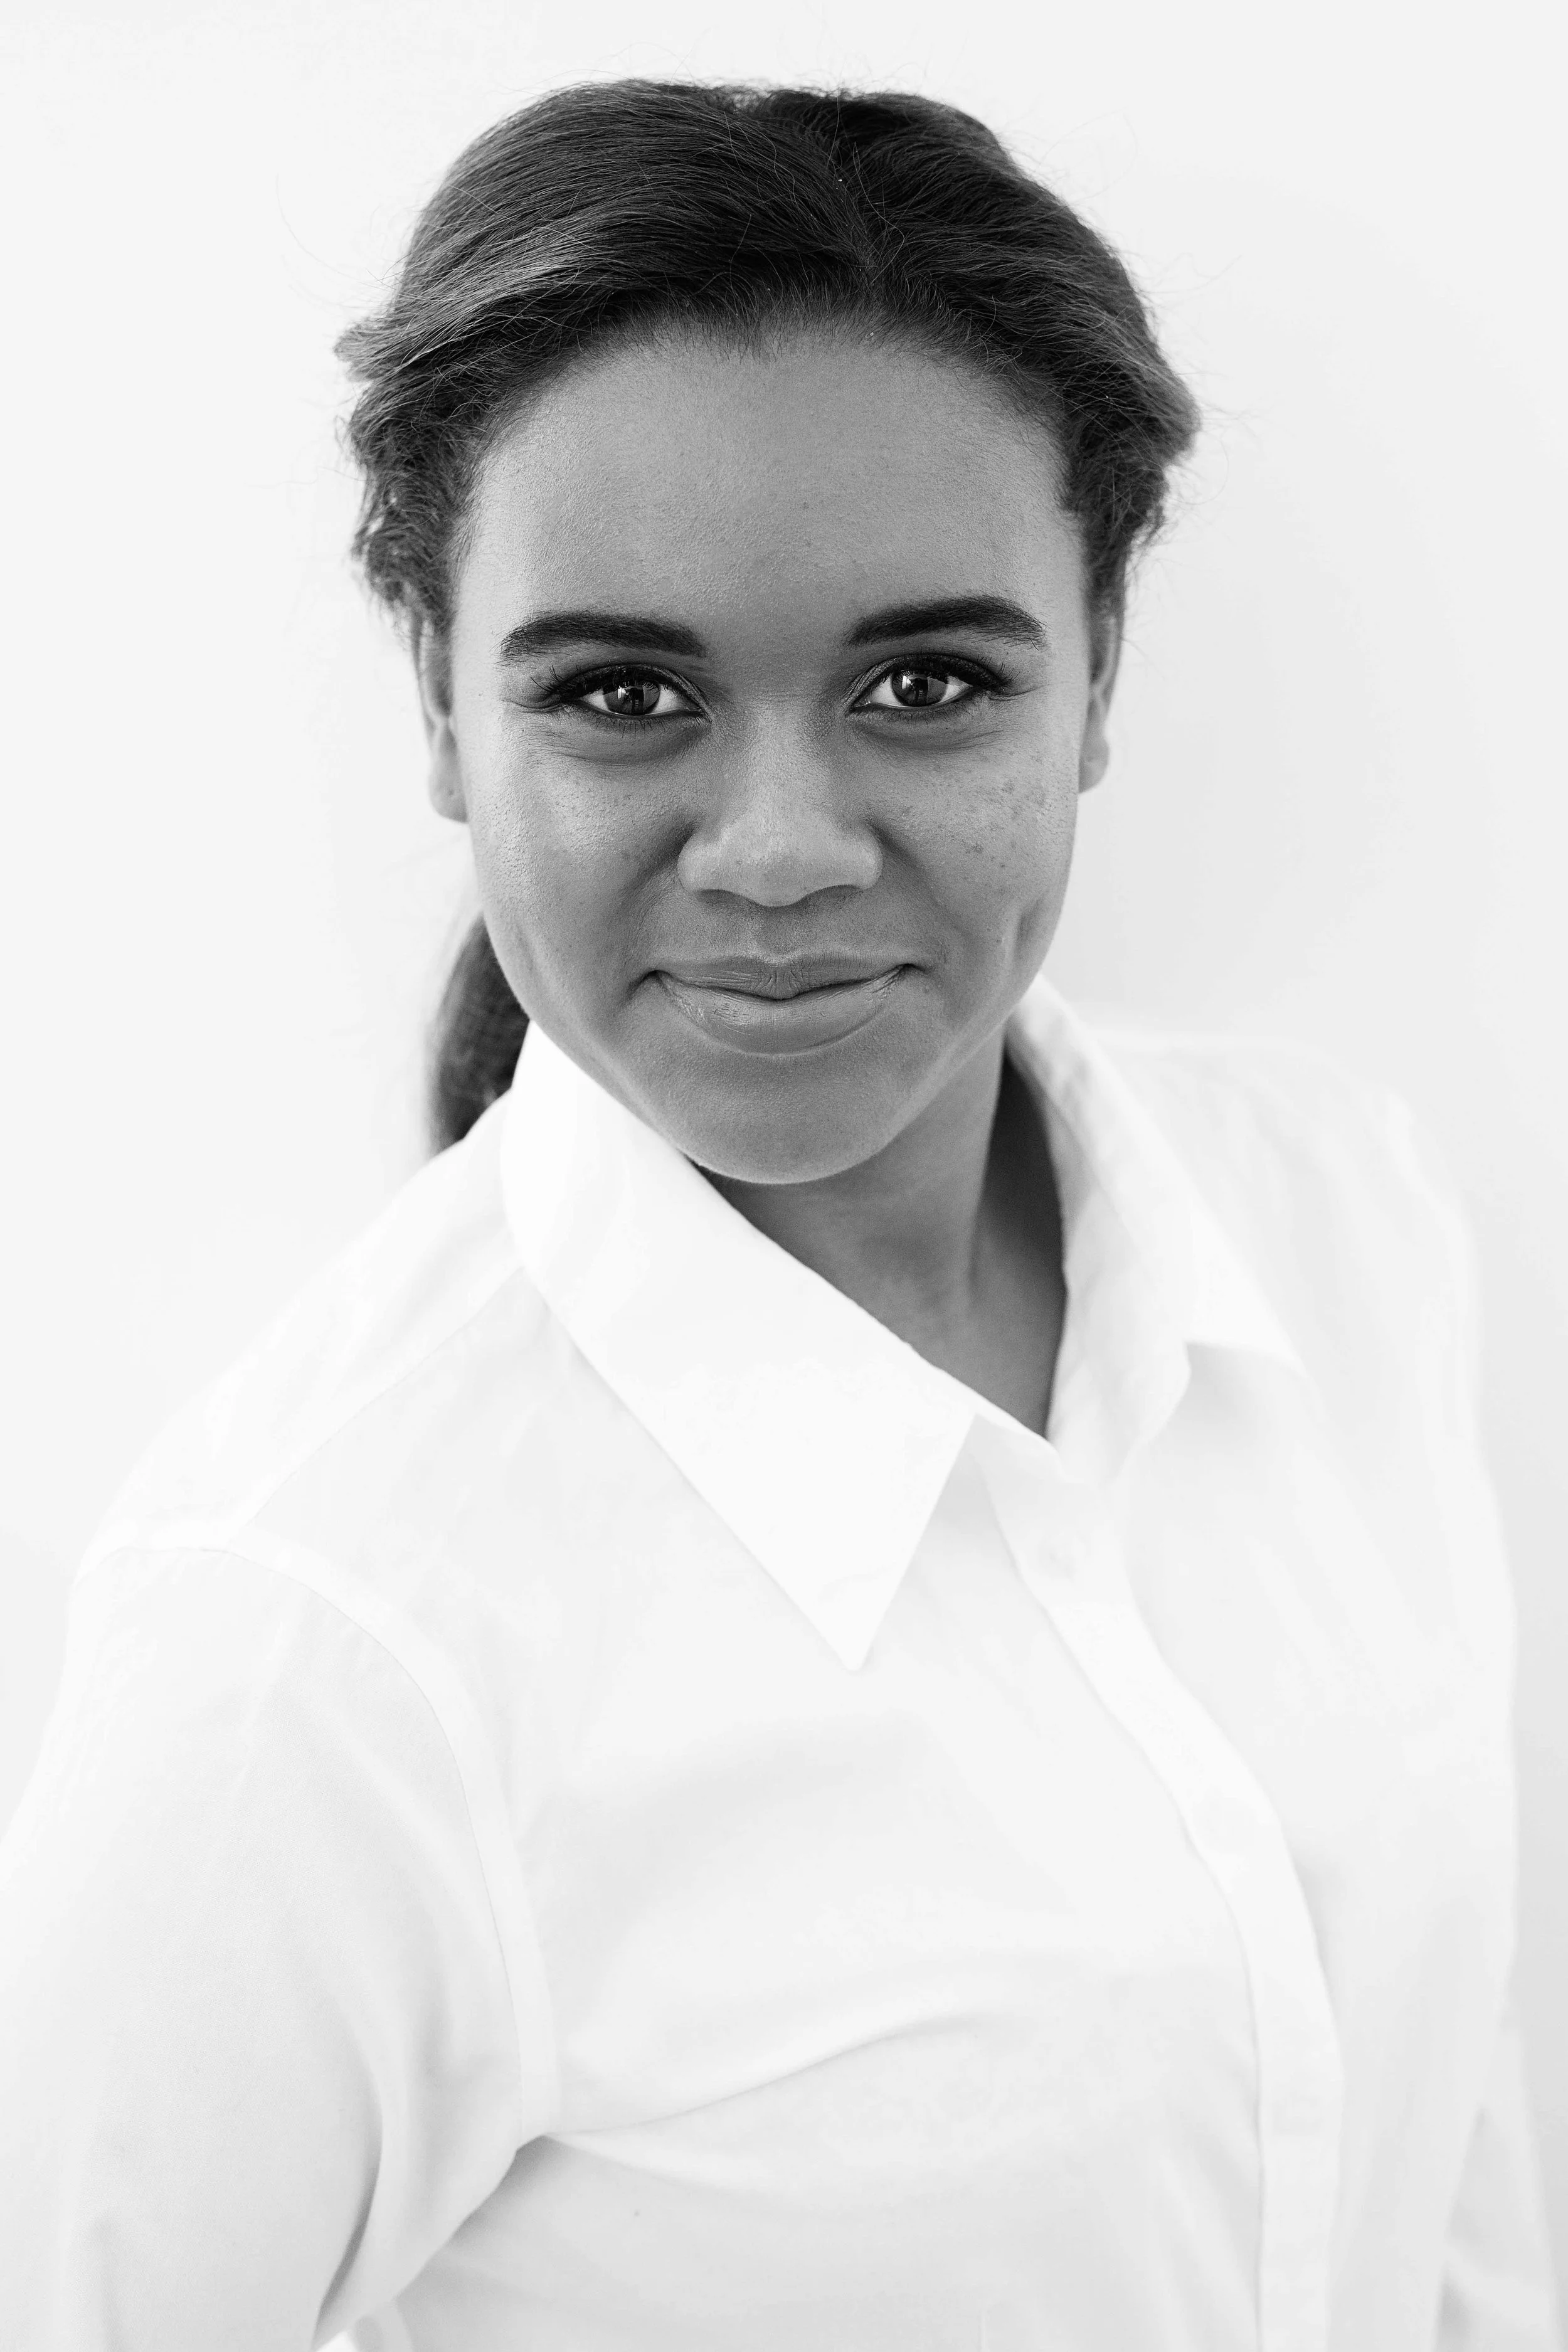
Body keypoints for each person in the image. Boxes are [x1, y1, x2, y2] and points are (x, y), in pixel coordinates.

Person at [0, 77, 1559, 2352]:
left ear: (1100, 668)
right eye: (621, 696)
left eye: (926, 682)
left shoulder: (1344, 1224)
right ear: (440, 701)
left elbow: (1449, 2173)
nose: (781, 847)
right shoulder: (303, 1649)